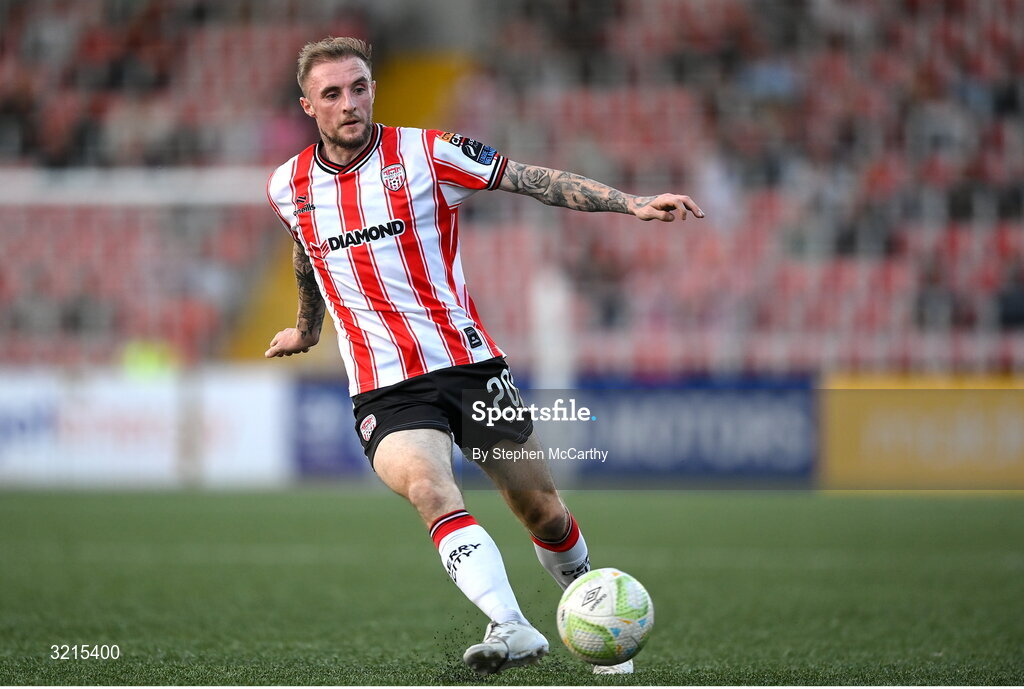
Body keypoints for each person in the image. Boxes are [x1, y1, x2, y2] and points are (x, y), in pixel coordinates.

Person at [265, 36, 703, 676]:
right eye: (332, 93)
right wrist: (306, 327)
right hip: (385, 387)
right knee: (428, 487)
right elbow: (306, 249)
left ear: (373, 90)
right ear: (309, 105)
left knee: (542, 510)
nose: (349, 103)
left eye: (358, 87)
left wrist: (628, 202)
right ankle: (511, 624)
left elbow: (529, 178)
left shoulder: (426, 152)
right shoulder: (287, 185)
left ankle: (598, 624)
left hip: (468, 367)